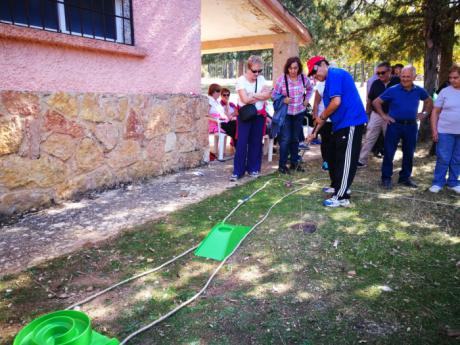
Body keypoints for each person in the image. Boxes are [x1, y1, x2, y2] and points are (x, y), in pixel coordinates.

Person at [306, 56, 367, 207]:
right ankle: (339, 188)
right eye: (312, 75)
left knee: (346, 160)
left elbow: (336, 102)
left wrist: (321, 117)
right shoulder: (329, 81)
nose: (315, 76)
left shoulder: (335, 74)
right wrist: (315, 132)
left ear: (322, 65)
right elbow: (324, 116)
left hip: (351, 122)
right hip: (341, 125)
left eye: (314, 72)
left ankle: (341, 197)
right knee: (340, 158)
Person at [373, 65, 433, 189]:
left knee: (409, 153)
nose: (405, 79)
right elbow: (376, 102)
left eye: (408, 77)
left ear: (414, 77)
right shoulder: (393, 89)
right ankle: (386, 178)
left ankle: (405, 178)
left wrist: (424, 113)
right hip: (394, 125)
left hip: (411, 126)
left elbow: (429, 101)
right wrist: (384, 116)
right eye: (403, 76)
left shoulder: (419, 90)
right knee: (389, 152)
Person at [230, 55, 271, 181]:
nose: (257, 73)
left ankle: (253, 169)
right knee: (242, 143)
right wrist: (260, 95)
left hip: (259, 116)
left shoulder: (262, 79)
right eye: (254, 71)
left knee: (256, 142)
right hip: (245, 116)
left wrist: (252, 94)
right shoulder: (241, 81)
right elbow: (245, 99)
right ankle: (238, 171)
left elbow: (268, 95)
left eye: (260, 71)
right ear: (248, 69)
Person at [272, 56, 313, 174]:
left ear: (299, 68)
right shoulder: (282, 80)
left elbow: (310, 89)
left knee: (295, 139)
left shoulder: (304, 79)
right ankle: (282, 165)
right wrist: (283, 99)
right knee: (285, 140)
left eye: (295, 68)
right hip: (286, 114)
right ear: (287, 68)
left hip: (299, 112)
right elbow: (273, 95)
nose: (293, 71)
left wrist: (306, 98)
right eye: (290, 68)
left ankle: (294, 163)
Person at [358, 62, 400, 167]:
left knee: (390, 138)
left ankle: (388, 161)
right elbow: (370, 100)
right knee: (369, 137)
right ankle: (361, 160)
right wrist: (367, 114)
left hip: (391, 115)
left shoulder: (398, 81)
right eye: (378, 73)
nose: (380, 75)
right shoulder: (376, 83)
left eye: (383, 73)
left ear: (390, 71)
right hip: (376, 114)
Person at [429, 64, 460, 194]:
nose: (452, 80)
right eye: (450, 78)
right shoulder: (445, 92)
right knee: (443, 157)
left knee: (457, 158)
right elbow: (435, 112)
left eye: (456, 77)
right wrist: (434, 130)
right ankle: (438, 182)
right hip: (445, 131)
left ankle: (453, 182)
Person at [312, 80, 334, 176]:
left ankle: (333, 161)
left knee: (334, 142)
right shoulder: (320, 85)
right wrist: (315, 116)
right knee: (325, 141)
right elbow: (316, 103)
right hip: (323, 118)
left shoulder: (337, 84)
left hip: (335, 119)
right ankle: (326, 161)